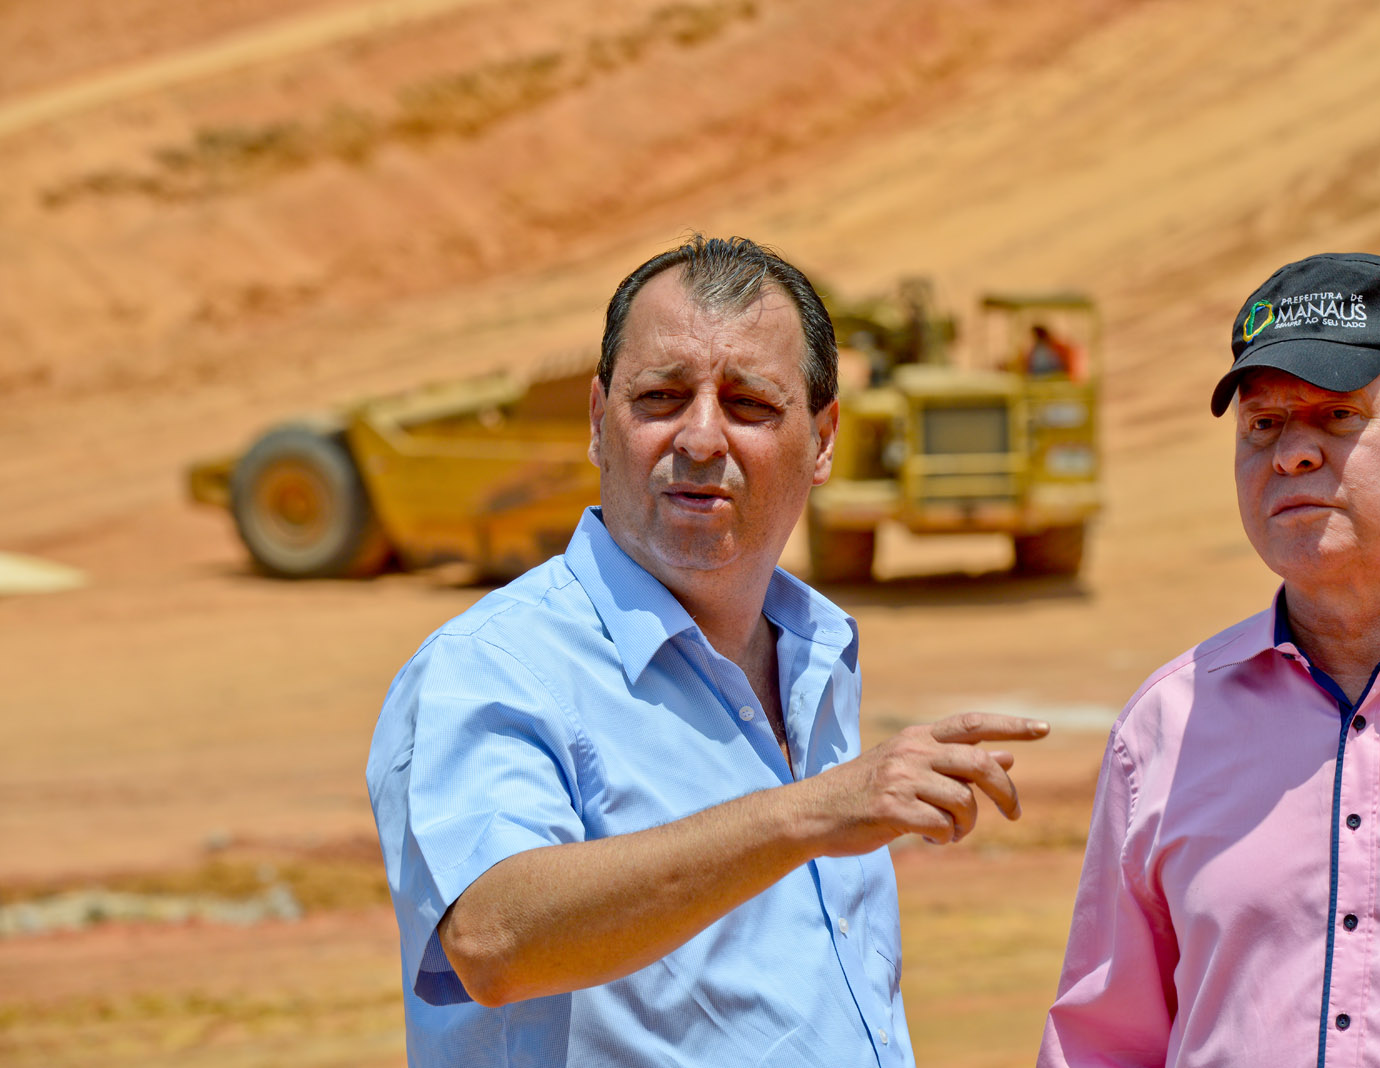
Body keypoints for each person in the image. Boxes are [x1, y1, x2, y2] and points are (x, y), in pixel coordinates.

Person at [368, 234, 1051, 1067]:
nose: (699, 438)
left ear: (824, 440)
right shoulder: (496, 667)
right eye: (660, 397)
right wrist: (812, 814)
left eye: (749, 404)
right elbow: (494, 939)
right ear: (598, 422)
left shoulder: (815, 655)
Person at [1037, 252, 1380, 1067]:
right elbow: (1102, 1045)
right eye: (1263, 424)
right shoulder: (1165, 728)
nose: (1291, 454)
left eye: (1338, 416)